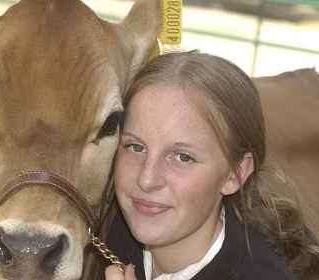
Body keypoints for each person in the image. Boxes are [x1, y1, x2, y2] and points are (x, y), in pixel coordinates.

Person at [105, 51, 319, 280]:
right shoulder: (108, 235)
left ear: (234, 174)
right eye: (135, 147)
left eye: (183, 157)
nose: (146, 180)